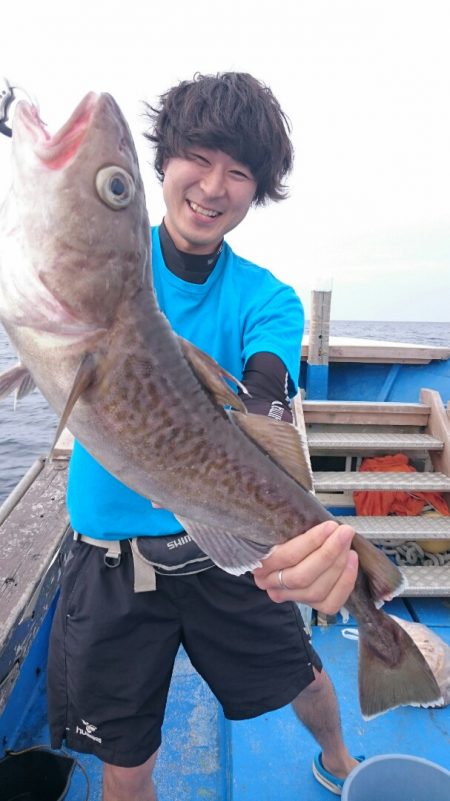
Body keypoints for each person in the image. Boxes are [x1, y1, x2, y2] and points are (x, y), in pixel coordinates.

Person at [47, 72, 359, 800]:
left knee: (308, 676)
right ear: (163, 161)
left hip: (227, 550)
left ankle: (342, 757)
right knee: (127, 765)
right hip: (114, 564)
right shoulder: (105, 266)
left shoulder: (268, 298)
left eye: (240, 172)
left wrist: (311, 545)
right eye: (199, 158)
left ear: (258, 190)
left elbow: (265, 397)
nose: (214, 187)